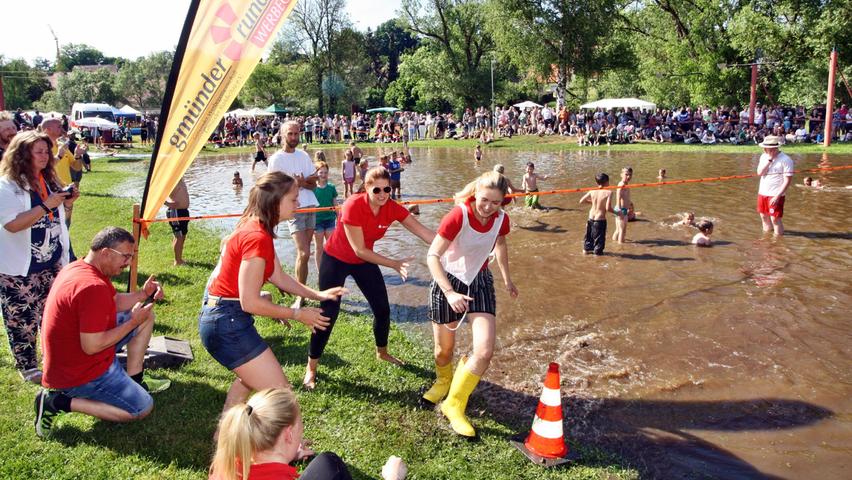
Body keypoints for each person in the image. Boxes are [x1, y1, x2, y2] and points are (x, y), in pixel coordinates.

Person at [199, 172, 344, 417]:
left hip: (222, 316)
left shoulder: (257, 225)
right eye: (294, 199)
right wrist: (297, 314)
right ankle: (288, 446)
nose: (299, 204)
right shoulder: (256, 237)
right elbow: (250, 301)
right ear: (275, 202)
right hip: (227, 321)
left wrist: (317, 294)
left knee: (249, 379)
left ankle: (226, 431)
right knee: (283, 398)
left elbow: (279, 277)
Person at [306, 167, 434, 390]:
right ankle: (311, 367)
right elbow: (360, 250)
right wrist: (394, 263)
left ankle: (382, 352)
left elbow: (424, 233)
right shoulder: (353, 205)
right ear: (366, 188)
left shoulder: (391, 207)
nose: (383, 194)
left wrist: (454, 246)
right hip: (336, 259)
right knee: (328, 314)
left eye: (387, 189)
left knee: (383, 309)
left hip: (363, 263)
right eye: (377, 190)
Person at [35, 227, 170, 437]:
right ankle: (59, 401)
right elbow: (93, 346)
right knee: (142, 408)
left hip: (71, 356)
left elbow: (113, 302)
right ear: (105, 252)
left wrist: (143, 294)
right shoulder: (92, 286)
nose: (129, 263)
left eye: (131, 257)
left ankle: (135, 379)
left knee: (147, 317)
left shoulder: (81, 267)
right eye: (125, 256)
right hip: (77, 371)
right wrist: (132, 322)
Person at [423, 171, 517, 438]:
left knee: (485, 351)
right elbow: (433, 256)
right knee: (444, 351)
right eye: (484, 200)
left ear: (502, 203)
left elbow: (501, 246)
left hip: (480, 281)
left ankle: (454, 403)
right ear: (475, 193)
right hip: (448, 281)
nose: (488, 207)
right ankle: (443, 381)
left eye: (495, 203)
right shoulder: (458, 215)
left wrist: (508, 279)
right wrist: (450, 292)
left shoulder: (501, 220)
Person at [0, 131, 77, 384]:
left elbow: (61, 222)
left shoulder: (49, 180)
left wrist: (67, 204)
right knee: (22, 319)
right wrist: (47, 205)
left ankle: (52, 357)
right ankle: (27, 364)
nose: (45, 156)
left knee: (52, 313)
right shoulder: (7, 186)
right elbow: (11, 225)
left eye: (47, 151)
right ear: (22, 154)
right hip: (20, 267)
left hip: (51, 261)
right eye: (39, 152)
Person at [209, 388, 408, 480]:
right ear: (288, 434)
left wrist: (286, 455)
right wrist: (392, 477)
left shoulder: (226, 465)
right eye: (299, 428)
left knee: (327, 462)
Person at [268, 121, 319, 309]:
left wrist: (302, 182)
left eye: (297, 134)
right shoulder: (276, 160)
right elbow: (272, 188)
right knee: (304, 252)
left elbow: (314, 184)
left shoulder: (304, 155)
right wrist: (294, 184)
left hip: (311, 205)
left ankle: (302, 292)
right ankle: (300, 295)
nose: (294, 137)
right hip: (292, 209)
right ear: (282, 135)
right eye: (290, 134)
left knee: (305, 254)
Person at [755, 135, 793, 236]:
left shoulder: (786, 160)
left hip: (776, 194)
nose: (764, 149)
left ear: (775, 148)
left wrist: (778, 196)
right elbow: (760, 173)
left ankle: (777, 242)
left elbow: (788, 180)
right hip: (762, 192)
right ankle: (766, 239)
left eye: (767, 148)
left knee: (775, 219)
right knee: (763, 216)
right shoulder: (763, 157)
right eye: (764, 147)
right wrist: (770, 160)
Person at [313, 160, 338, 272]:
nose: (323, 175)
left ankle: (331, 269)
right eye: (321, 172)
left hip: (330, 220)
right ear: (316, 173)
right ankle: (320, 271)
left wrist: (339, 217)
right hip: (317, 221)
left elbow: (335, 203)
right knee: (319, 247)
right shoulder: (312, 189)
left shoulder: (331, 187)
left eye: (325, 172)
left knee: (331, 246)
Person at [579, 173, 612, 255]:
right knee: (599, 242)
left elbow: (581, 201)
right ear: (607, 182)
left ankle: (585, 253)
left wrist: (593, 202)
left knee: (588, 238)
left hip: (590, 218)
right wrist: (617, 213)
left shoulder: (592, 191)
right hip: (600, 220)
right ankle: (597, 258)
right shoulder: (609, 192)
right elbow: (608, 208)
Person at [165, 178, 190, 266]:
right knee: (179, 237)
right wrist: (168, 203)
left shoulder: (179, 178)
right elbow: (156, 194)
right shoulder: (171, 179)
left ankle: (179, 259)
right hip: (176, 212)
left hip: (182, 211)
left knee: (182, 236)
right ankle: (177, 261)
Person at [612, 166, 633, 243]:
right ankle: (621, 246)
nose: (628, 176)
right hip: (621, 209)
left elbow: (625, 197)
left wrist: (630, 205)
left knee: (618, 229)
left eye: (630, 175)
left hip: (622, 209)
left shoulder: (626, 183)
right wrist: (620, 210)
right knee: (622, 231)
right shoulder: (621, 184)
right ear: (621, 175)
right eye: (626, 174)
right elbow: (618, 197)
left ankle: (614, 242)